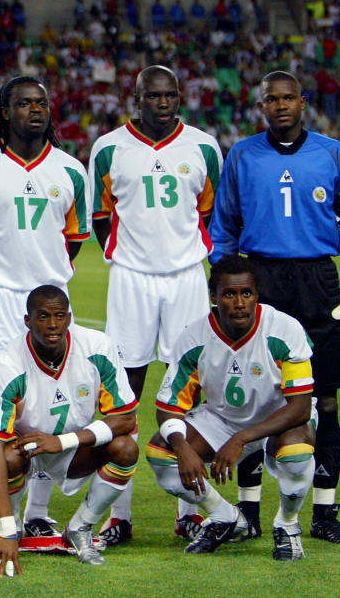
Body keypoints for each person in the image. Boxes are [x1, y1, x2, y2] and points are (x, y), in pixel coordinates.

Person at [209, 71, 340, 545]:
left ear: (303, 102)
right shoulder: (242, 154)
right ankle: (247, 513)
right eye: (272, 100)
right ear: (262, 105)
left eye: (288, 98)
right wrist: (221, 285)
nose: (280, 106)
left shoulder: (332, 153)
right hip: (259, 279)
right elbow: (224, 225)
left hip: (317, 282)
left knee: (325, 398)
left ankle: (324, 511)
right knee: (251, 397)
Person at [0, 76, 91, 545]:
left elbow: (76, 239)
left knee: (48, 411)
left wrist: (48, 285)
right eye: (25, 102)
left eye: (42, 102)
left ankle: (40, 512)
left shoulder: (70, 170)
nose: (36, 109)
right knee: (0, 411)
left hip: (50, 303)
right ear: (5, 112)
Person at [88, 65, 222, 545]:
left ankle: (192, 511)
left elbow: (207, 211)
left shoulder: (204, 146)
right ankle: (115, 515)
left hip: (187, 276)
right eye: (152, 96)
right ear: (136, 97)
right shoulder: (108, 149)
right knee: (123, 391)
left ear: (180, 96)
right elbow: (101, 215)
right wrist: (128, 256)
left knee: (192, 390)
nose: (162, 103)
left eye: (170, 95)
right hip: (131, 280)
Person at [147, 255, 316, 560]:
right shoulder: (193, 338)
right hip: (222, 419)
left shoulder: (284, 329)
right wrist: (182, 446)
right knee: (161, 452)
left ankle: (287, 525)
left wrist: (241, 439)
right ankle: (225, 516)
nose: (239, 303)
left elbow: (301, 408)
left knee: (296, 452)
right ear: (213, 297)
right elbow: (167, 407)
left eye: (246, 294)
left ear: (256, 294)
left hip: (280, 417)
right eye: (229, 294)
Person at [0, 285, 138, 575]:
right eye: (42, 317)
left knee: (126, 448)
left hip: (74, 448)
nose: (52, 324)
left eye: (59, 316)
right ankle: (11, 529)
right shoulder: (8, 365)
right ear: (27, 321)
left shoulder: (97, 348)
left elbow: (126, 418)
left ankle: (80, 528)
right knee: (6, 455)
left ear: (69, 318)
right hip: (25, 450)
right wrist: (5, 529)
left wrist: (62, 441)